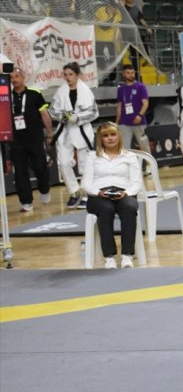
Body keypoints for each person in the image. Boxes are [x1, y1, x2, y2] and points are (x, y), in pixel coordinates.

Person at [81, 122, 144, 269]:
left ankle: (127, 256)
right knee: (106, 209)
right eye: (105, 135)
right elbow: (86, 184)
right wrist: (98, 193)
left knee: (129, 207)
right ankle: (109, 257)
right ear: (100, 139)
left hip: (124, 193)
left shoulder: (130, 156)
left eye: (113, 134)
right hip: (98, 196)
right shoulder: (92, 157)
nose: (110, 138)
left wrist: (126, 193)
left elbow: (137, 183)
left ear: (118, 136)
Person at [49, 61, 98, 210]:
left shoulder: (86, 91)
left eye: (71, 74)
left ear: (77, 75)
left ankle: (85, 194)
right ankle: (74, 192)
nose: (68, 77)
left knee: (84, 165)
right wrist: (62, 116)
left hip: (82, 130)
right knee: (63, 163)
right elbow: (52, 110)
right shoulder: (60, 92)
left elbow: (95, 112)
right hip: (65, 131)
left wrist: (79, 117)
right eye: (65, 74)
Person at [9, 67, 53, 212]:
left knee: (40, 167)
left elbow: (45, 115)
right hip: (16, 140)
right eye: (12, 77)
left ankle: (44, 189)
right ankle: (26, 201)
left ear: (23, 78)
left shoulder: (35, 94)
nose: (14, 79)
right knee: (20, 172)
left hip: (34, 138)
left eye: (17, 76)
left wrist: (49, 134)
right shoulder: (6, 97)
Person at [115, 64, 149, 151]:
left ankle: (149, 163)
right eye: (128, 73)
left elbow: (145, 103)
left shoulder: (141, 86)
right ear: (123, 74)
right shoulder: (120, 89)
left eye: (132, 73)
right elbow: (120, 106)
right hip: (124, 122)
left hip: (138, 121)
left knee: (144, 145)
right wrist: (116, 122)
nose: (131, 75)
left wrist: (140, 115)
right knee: (124, 147)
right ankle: (127, 164)